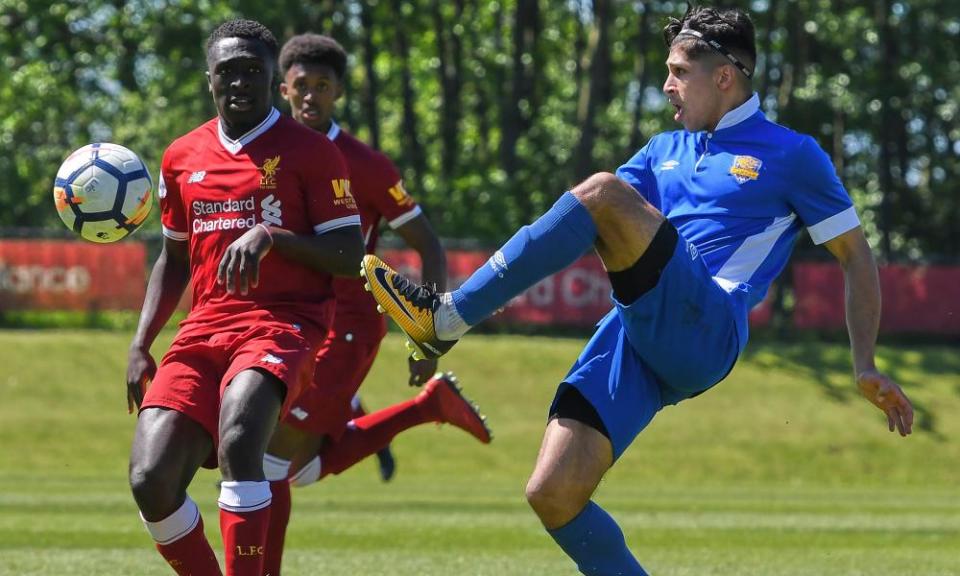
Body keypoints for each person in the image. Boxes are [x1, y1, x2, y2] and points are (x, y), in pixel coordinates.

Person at [361, 5, 915, 575]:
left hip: (708, 325)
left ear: (724, 77)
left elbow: (856, 257)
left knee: (602, 191)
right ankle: (445, 322)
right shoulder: (662, 150)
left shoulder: (793, 155)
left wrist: (864, 362)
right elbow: (578, 219)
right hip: (637, 329)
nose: (666, 86)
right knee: (553, 494)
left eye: (678, 71)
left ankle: (447, 318)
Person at [125, 19, 364, 576]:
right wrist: (140, 343)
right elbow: (174, 260)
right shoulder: (181, 156)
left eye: (252, 71)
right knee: (150, 479)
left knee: (239, 441)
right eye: (227, 72)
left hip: (284, 323)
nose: (239, 82)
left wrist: (273, 236)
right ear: (209, 79)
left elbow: (353, 256)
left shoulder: (312, 153)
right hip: (203, 330)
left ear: (272, 78)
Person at [260, 33, 492, 576]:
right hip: (287, 320)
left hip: (345, 327)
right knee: (285, 468)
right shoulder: (268, 151)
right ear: (284, 88)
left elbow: (429, 245)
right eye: (301, 86)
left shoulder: (362, 163)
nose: (311, 96)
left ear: (338, 91)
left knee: (271, 463)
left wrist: (428, 334)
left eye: (323, 86)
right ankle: (426, 409)